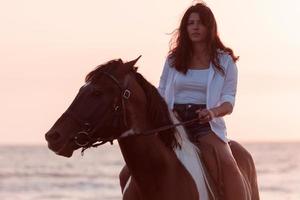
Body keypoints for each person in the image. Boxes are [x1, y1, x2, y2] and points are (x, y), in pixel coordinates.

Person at [158, 2, 248, 200]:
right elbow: (161, 92)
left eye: (200, 23)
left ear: (210, 27)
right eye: (191, 23)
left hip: (205, 123)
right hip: (174, 122)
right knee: (129, 170)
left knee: (228, 165)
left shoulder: (225, 60)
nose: (195, 27)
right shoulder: (173, 60)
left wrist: (212, 112)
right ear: (185, 27)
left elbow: (228, 101)